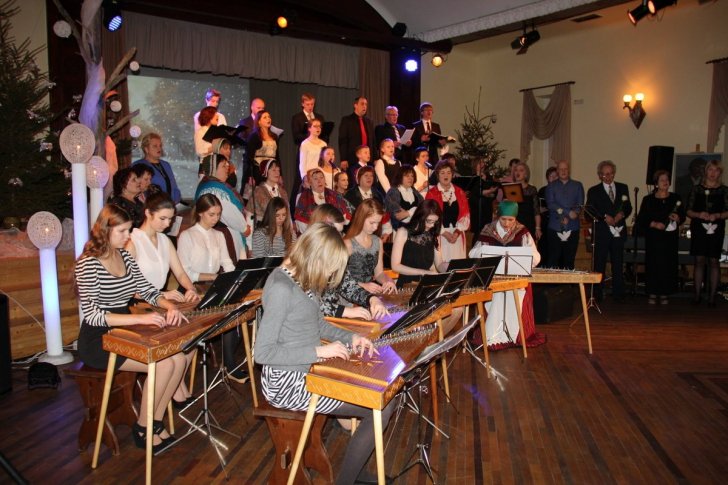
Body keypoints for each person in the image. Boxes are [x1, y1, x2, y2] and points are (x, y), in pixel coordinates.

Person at [254, 223, 394, 485]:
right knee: (380, 406)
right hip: (287, 382)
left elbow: (318, 323)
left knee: (381, 395)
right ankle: (348, 480)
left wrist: (352, 337)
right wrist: (319, 350)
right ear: (316, 257)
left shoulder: (303, 279)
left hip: (308, 368)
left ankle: (355, 473)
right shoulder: (282, 287)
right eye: (330, 267)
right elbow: (262, 353)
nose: (330, 275)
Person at [76, 204, 187, 451]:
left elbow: (147, 291)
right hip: (99, 339)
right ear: (105, 230)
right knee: (162, 364)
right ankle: (142, 427)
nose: (128, 236)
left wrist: (169, 305)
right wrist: (141, 320)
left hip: (124, 330)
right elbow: (93, 315)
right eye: (122, 231)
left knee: (178, 359)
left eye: (129, 230)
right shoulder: (88, 264)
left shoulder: (125, 257)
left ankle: (154, 421)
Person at [469, 201, 544, 350]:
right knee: (496, 299)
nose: (507, 223)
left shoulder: (522, 231)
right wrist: (485, 252)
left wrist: (525, 259)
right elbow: (473, 253)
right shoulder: (488, 230)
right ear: (498, 216)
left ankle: (514, 336)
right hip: (494, 278)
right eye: (503, 219)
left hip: (515, 277)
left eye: (511, 220)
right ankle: (493, 336)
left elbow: (535, 256)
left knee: (515, 297)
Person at [636, 170, 686, 304]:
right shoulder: (648, 200)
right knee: (653, 264)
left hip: (669, 239)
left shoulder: (675, 198)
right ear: (656, 183)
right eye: (662, 180)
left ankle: (665, 293)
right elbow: (641, 219)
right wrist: (654, 224)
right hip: (654, 238)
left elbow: (682, 216)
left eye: (667, 179)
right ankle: (652, 292)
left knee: (668, 265)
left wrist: (678, 218)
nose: (665, 182)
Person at [585, 160, 632, 301]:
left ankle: (618, 293)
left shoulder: (623, 188)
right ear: (600, 175)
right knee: (599, 264)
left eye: (611, 174)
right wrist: (604, 217)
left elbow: (628, 207)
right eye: (605, 174)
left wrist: (621, 214)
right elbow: (589, 211)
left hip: (618, 231)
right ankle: (597, 294)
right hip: (602, 233)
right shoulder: (594, 191)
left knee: (618, 263)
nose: (608, 177)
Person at [686, 160, 728, 306]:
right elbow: (688, 211)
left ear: (720, 173)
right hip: (699, 228)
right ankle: (697, 295)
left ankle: (712, 297)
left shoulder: (724, 190)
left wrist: (718, 215)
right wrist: (699, 214)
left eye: (716, 170)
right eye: (710, 169)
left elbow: (727, 211)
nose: (713, 173)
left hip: (717, 228)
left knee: (714, 261)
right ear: (706, 171)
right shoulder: (696, 189)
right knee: (699, 260)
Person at [195, 147, 250, 261]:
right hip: (224, 236)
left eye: (227, 165)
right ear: (213, 169)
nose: (227, 169)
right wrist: (244, 228)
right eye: (223, 166)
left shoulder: (207, 186)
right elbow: (227, 212)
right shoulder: (215, 189)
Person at [178, 193, 236, 282]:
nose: (216, 219)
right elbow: (184, 272)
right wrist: (212, 276)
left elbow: (227, 264)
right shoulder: (187, 236)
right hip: (192, 285)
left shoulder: (219, 235)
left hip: (213, 283)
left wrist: (236, 278)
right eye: (211, 214)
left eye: (218, 214)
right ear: (200, 213)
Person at [343, 199, 397, 294]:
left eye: (378, 223)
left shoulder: (377, 241)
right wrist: (363, 285)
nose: (375, 227)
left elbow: (379, 273)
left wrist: (388, 281)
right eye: (372, 223)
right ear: (361, 218)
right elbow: (338, 279)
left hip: (370, 294)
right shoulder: (347, 243)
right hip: (350, 294)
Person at [391, 199, 447, 287]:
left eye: (435, 222)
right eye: (429, 221)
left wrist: (450, 267)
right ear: (420, 216)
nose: (432, 225)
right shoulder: (403, 232)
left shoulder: (433, 235)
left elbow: (439, 264)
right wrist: (423, 272)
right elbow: (395, 266)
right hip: (406, 285)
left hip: (425, 285)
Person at [425, 161, 470, 262]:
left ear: (452, 175)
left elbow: (465, 215)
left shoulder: (459, 192)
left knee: (457, 266)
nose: (446, 175)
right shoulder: (432, 193)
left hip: (457, 236)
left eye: (449, 172)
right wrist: (444, 233)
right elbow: (428, 217)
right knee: (442, 265)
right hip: (440, 235)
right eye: (443, 172)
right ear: (437, 175)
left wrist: (456, 233)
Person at [545, 160, 584, 269]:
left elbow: (580, 205)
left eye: (565, 169)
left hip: (572, 226)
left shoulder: (577, 185)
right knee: (553, 258)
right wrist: (566, 213)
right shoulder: (551, 186)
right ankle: (552, 280)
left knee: (569, 259)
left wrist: (574, 214)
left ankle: (569, 280)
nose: (563, 171)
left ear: (569, 170)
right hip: (555, 226)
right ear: (557, 171)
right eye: (561, 169)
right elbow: (551, 204)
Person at [294, 168, 352, 234]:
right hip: (314, 234)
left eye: (321, 177)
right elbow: (301, 222)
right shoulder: (304, 197)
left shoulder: (334, 195)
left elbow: (346, 217)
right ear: (310, 182)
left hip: (334, 233)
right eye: (315, 178)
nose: (319, 181)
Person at [133, 133, 182, 204]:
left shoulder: (166, 165)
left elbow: (174, 187)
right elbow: (137, 189)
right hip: (151, 206)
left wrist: (175, 201)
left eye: (160, 146)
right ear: (146, 149)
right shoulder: (139, 165)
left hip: (170, 205)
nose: (159, 148)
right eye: (155, 146)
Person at [237, 97, 266, 190]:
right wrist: (251, 141)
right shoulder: (245, 122)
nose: (261, 110)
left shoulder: (265, 122)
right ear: (252, 108)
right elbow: (240, 139)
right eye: (258, 108)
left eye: (262, 108)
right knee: (247, 187)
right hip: (250, 159)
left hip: (263, 160)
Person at [247, 159, 289, 224]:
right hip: (264, 227)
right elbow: (249, 213)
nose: (277, 173)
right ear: (265, 172)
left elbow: (288, 214)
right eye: (274, 170)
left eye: (278, 170)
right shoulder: (258, 192)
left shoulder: (283, 192)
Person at [338, 96, 375, 169]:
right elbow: (343, 140)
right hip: (352, 159)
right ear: (355, 105)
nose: (364, 106)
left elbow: (373, 141)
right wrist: (343, 159)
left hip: (368, 160)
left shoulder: (369, 122)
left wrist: (375, 158)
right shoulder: (347, 120)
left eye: (366, 104)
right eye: (362, 104)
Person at [385, 165, 424, 231]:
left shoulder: (415, 192)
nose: (410, 178)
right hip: (399, 230)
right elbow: (398, 215)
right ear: (400, 177)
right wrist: (416, 211)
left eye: (412, 176)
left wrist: (409, 213)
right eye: (407, 176)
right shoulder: (393, 192)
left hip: (416, 230)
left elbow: (424, 209)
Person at [508, 162, 541, 240]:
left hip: (528, 224)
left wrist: (538, 228)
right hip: (514, 225)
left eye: (521, 170)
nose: (518, 172)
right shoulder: (510, 188)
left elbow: (536, 211)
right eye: (516, 170)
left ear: (526, 174)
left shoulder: (532, 190)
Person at [469, 157, 500, 238]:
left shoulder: (488, 177)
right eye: (479, 163)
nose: (482, 164)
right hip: (477, 208)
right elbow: (476, 191)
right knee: (477, 232)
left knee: (486, 231)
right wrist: (488, 191)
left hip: (486, 207)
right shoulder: (472, 178)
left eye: (483, 162)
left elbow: (494, 191)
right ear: (475, 165)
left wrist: (489, 193)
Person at [245, 110, 279, 185]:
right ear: (259, 122)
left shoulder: (274, 137)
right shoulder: (254, 136)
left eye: (269, 117)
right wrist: (250, 176)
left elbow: (277, 157)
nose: (268, 119)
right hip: (259, 171)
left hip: (273, 170)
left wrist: (280, 175)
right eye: (265, 117)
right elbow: (249, 157)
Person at [536, 166, 558, 264]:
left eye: (556, 176)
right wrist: (540, 209)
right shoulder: (542, 190)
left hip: (557, 222)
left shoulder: (562, 190)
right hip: (545, 222)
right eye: (551, 176)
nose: (554, 178)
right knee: (544, 248)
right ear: (547, 178)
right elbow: (537, 206)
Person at [297, 119, 327, 189]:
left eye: (319, 126)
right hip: (311, 176)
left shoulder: (323, 144)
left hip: (321, 176)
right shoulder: (305, 144)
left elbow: (325, 163)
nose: (318, 128)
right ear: (309, 128)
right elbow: (302, 163)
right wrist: (304, 177)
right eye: (315, 126)